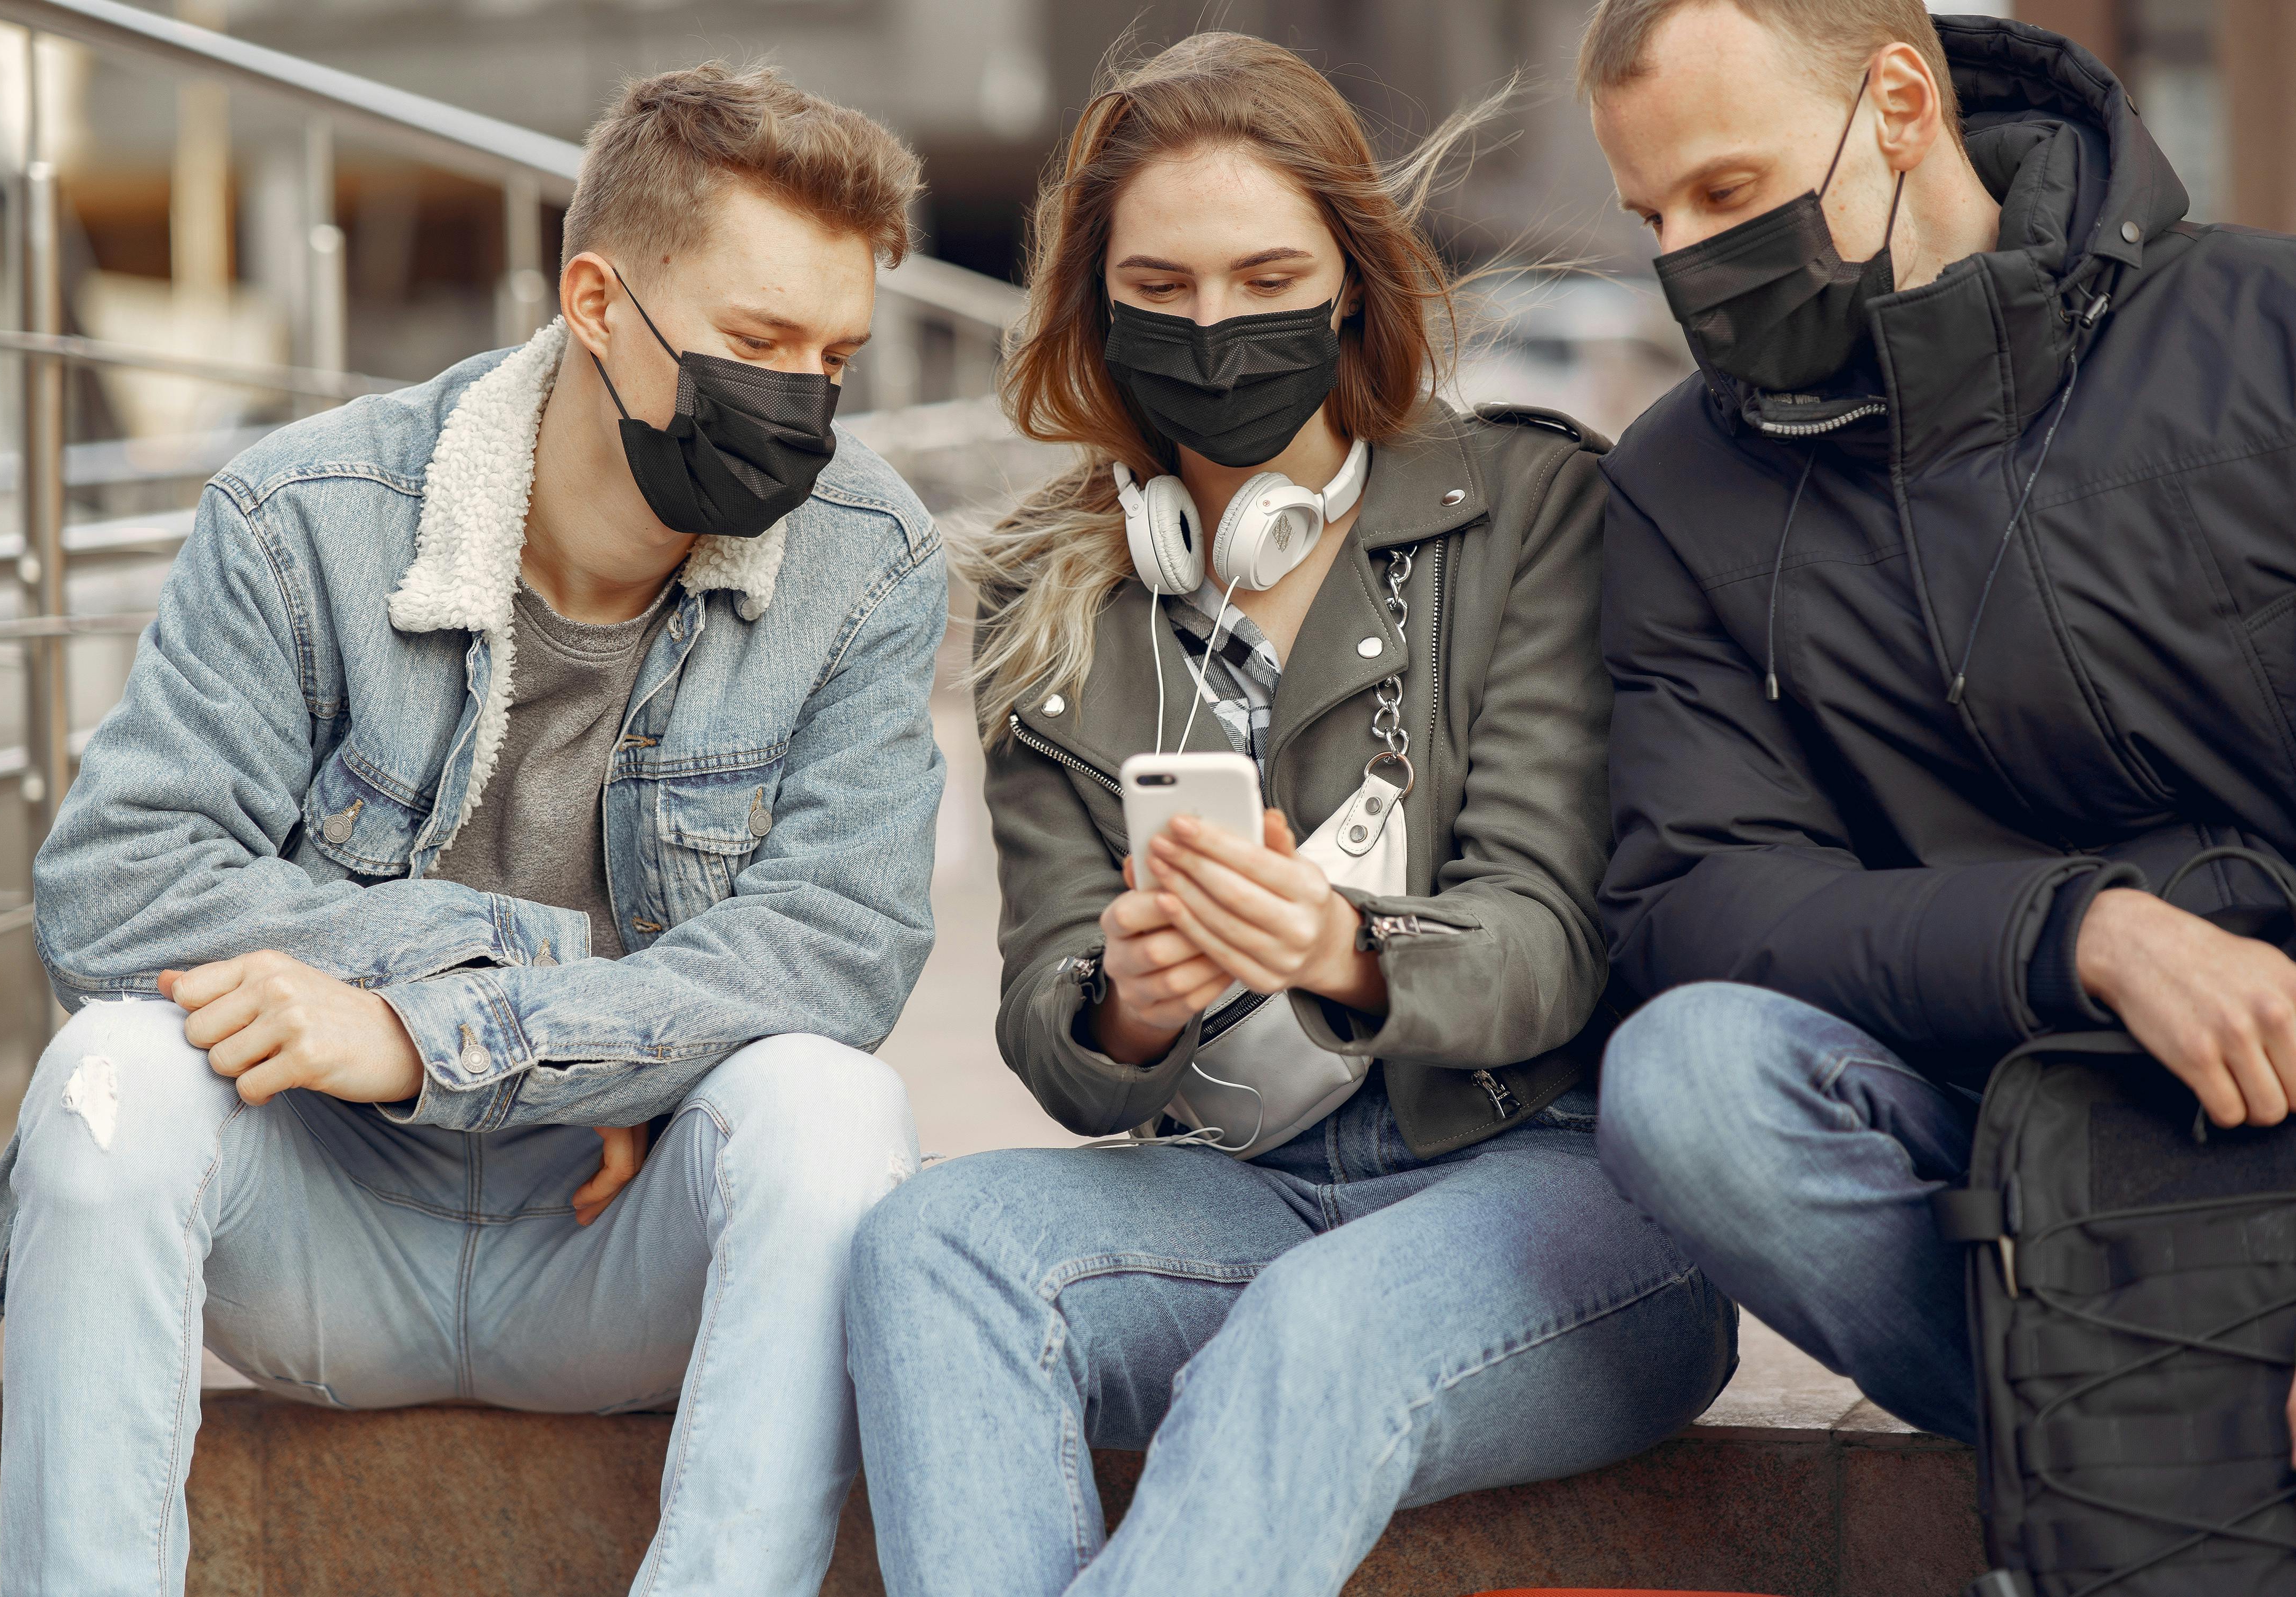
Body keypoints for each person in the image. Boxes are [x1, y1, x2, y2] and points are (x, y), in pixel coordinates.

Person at [0, 64, 946, 1595]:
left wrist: (445, 1036)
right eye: (757, 345)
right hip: (325, 1229)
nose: (802, 406)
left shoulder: (868, 559)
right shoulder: (308, 512)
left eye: (836, 357)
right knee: (110, 1079)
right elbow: (116, 884)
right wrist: (536, 980)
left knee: (833, 1113)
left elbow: (841, 949)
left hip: (615, 1249)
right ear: (595, 301)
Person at [844, 33, 1736, 1597]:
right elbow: (1060, 1055)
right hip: (1240, 1190)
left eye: (1265, 277)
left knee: (1309, 1330)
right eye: (1165, 288)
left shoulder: (1530, 513)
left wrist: (1341, 946)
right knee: (930, 1244)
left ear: (1347, 285)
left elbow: (1549, 943)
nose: (1215, 327)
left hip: (1552, 1189)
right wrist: (1125, 1007)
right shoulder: (1043, 596)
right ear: (1096, 306)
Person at [1583, 1, 2296, 1447]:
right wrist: (2078, 932)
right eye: (1648, 213)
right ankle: (2144, 1444)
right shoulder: (1673, 489)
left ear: (1900, 104)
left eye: (1724, 192)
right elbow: (1702, 900)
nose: (1682, 262)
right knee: (1683, 1084)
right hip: (2005, 1151)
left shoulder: (2264, 330)